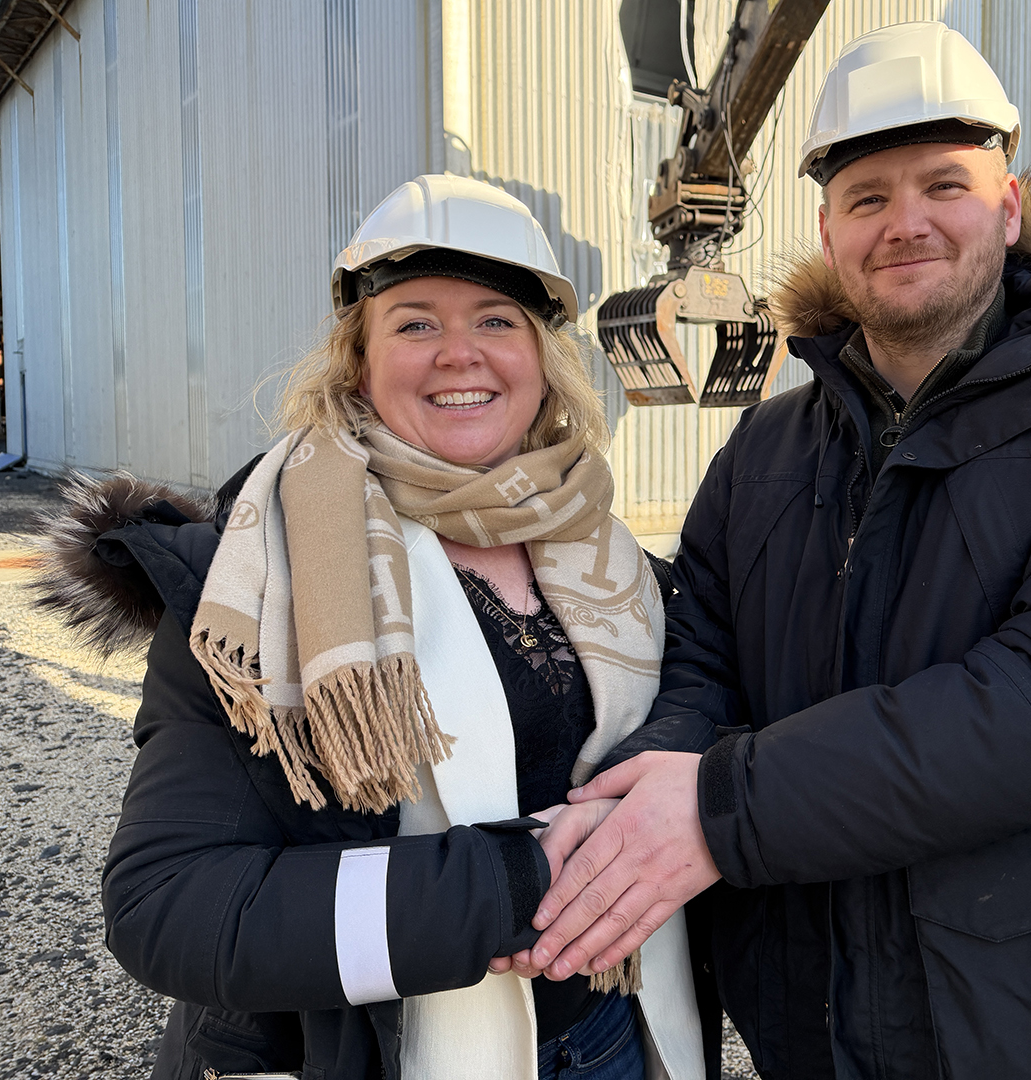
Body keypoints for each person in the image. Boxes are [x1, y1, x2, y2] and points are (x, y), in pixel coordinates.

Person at [502, 22, 1031, 1079]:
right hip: (817, 1023)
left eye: (944, 185)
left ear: (1009, 206)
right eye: (867, 198)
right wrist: (627, 806)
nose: (906, 223)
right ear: (827, 229)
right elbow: (701, 655)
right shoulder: (766, 449)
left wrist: (719, 809)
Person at [34, 174, 707, 1080]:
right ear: (358, 362)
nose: (459, 354)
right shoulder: (260, 579)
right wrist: (514, 884)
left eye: (497, 320)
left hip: (615, 1031)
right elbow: (171, 905)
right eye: (415, 323)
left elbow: (700, 693)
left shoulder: (607, 550)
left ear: (544, 358)